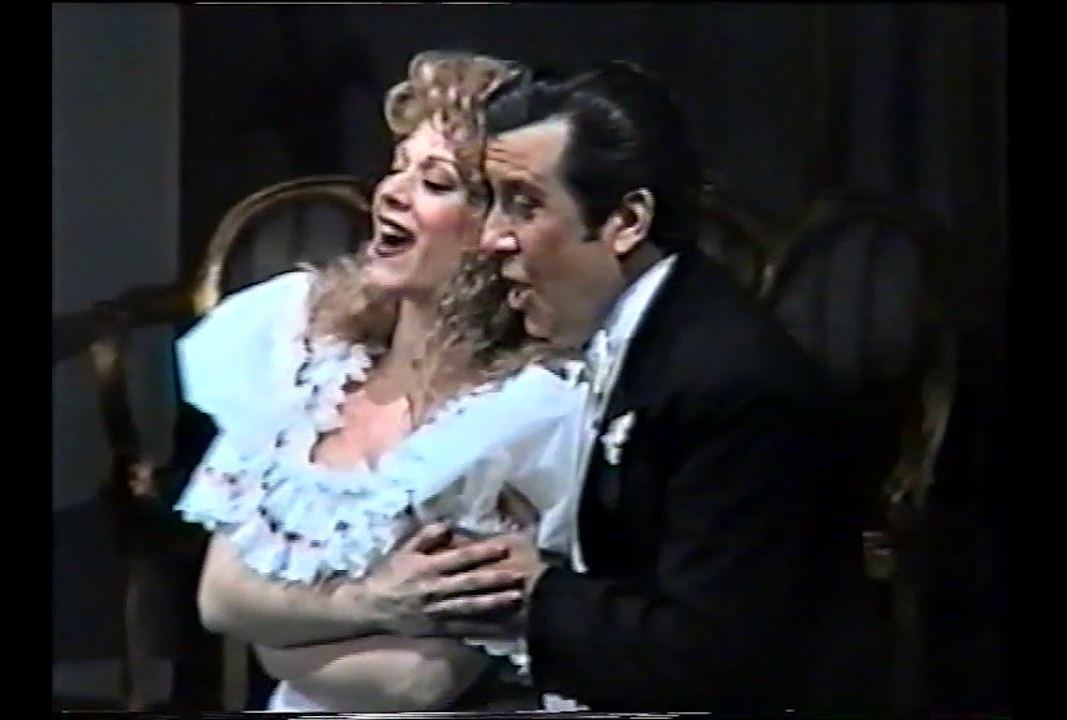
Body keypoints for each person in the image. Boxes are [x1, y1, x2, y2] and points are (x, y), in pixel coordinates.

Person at [375, 61, 880, 712]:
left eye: (525, 204)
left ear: (627, 220)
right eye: (494, 201)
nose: (493, 237)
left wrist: (534, 594)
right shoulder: (634, 335)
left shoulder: (729, 382)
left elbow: (714, 656)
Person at [173, 50, 590, 712]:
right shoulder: (307, 359)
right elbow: (220, 599)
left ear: (499, 229)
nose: (391, 192)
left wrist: (278, 632)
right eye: (398, 166)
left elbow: (414, 683)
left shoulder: (524, 415)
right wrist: (370, 603)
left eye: (436, 182)